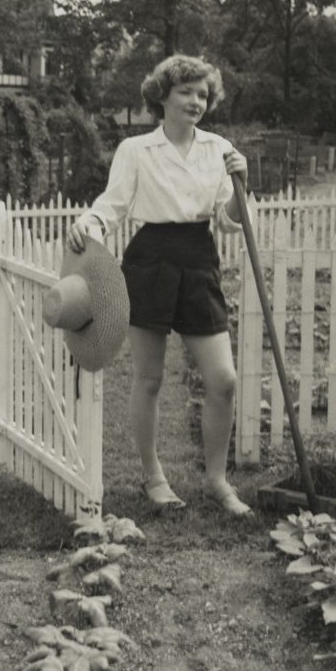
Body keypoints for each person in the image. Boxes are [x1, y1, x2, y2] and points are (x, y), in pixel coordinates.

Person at [68, 54, 252, 516]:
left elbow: (229, 223)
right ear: (163, 95)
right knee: (148, 379)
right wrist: (87, 224)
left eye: (203, 95)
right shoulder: (136, 150)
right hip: (150, 259)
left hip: (198, 258)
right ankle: (153, 477)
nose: (196, 102)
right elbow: (112, 205)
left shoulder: (218, 149)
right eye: (187, 92)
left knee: (223, 380)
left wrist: (243, 182)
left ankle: (215, 479)